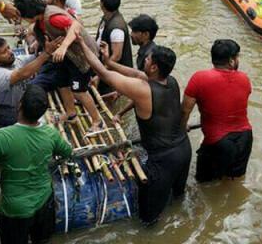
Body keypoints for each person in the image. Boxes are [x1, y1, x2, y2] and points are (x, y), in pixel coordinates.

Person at [80, 37, 191, 225]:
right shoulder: (170, 81)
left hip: (163, 160)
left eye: (147, 60)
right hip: (183, 149)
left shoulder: (143, 90)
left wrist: (80, 44)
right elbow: (135, 74)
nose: (144, 62)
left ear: (154, 67)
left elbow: (103, 74)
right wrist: (109, 62)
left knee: (148, 217)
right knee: (178, 199)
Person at [0, 86, 72, 244]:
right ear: (43, 112)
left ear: (20, 104)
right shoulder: (50, 134)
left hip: (15, 211)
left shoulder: (1, 137)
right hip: (45, 202)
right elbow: (67, 152)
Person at [13, 0, 102, 129]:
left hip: (81, 57)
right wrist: (38, 40)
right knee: (61, 82)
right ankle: (71, 113)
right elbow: (38, 29)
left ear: (28, 15)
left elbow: (76, 25)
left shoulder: (52, 18)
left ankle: (97, 120)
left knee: (79, 91)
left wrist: (64, 46)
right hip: (67, 56)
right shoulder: (41, 18)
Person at [181, 39, 252, 182]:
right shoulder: (244, 78)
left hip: (217, 141)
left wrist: (183, 127)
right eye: (238, 57)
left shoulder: (199, 78)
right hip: (245, 138)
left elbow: (185, 111)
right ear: (231, 61)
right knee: (234, 181)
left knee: (204, 184)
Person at [0, 36, 62, 135]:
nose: (10, 52)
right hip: (3, 117)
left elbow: (36, 58)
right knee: (2, 143)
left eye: (8, 48)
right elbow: (22, 74)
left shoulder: (17, 60)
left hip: (19, 110)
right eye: (4, 52)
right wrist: (46, 54)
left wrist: (46, 48)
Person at [95, 0, 132, 95]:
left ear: (101, 4)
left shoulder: (116, 28)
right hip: (105, 69)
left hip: (114, 75)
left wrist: (100, 75)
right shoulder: (107, 18)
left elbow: (116, 56)